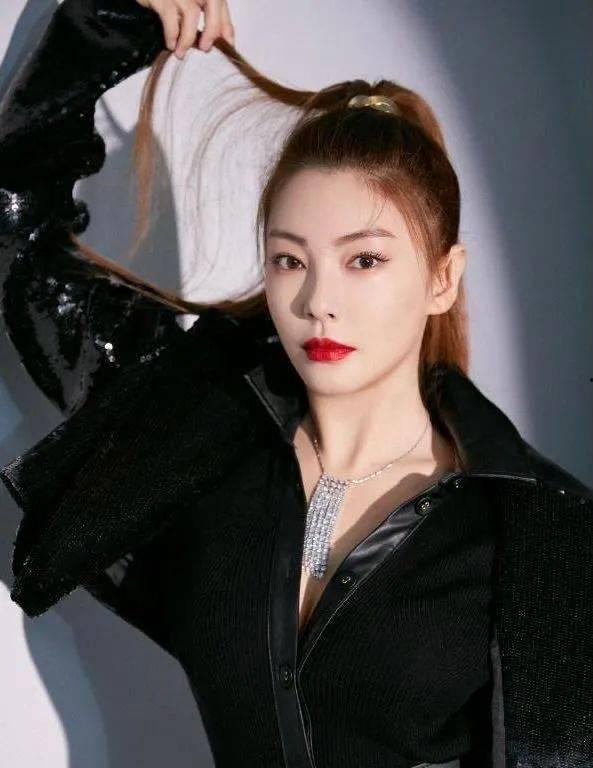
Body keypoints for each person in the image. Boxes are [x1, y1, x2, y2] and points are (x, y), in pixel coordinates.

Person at [0, 1, 591, 767]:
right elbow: (21, 233)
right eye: (289, 260)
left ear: (441, 279)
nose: (318, 301)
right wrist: (107, 22)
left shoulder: (541, 537)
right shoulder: (197, 438)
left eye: (363, 260)